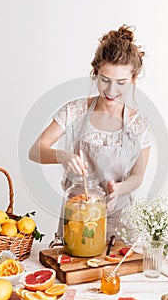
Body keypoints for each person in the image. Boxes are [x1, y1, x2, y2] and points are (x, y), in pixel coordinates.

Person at [29, 24, 154, 238]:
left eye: (121, 82)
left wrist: (119, 189)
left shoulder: (138, 125)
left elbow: (138, 176)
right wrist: (62, 156)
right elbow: (34, 151)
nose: (111, 90)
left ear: (133, 79)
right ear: (95, 73)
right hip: (76, 218)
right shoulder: (75, 111)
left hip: (119, 223)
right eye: (104, 80)